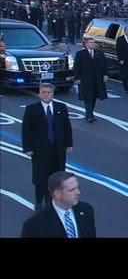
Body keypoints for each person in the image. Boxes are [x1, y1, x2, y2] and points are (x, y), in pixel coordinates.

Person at [22, 83, 73, 211]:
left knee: (56, 179)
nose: (46, 95)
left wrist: (69, 143)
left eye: (48, 92)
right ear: (39, 93)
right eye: (43, 92)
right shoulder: (31, 109)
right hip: (40, 151)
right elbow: (26, 130)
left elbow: (67, 126)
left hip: (58, 150)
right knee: (40, 179)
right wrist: (28, 148)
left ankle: (51, 204)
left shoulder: (61, 107)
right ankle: (39, 203)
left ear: (52, 94)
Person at [21, 171, 96, 238]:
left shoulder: (86, 210)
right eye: (72, 190)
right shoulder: (35, 224)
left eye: (77, 187)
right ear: (57, 194)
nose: (78, 192)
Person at [73, 38, 109, 123]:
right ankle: (90, 116)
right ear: (86, 44)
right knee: (87, 97)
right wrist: (77, 78)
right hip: (85, 80)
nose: (92, 44)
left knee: (93, 97)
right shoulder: (80, 54)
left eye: (93, 42)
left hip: (97, 80)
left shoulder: (99, 53)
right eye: (90, 42)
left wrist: (105, 75)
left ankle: (89, 113)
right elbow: (76, 67)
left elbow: (105, 65)